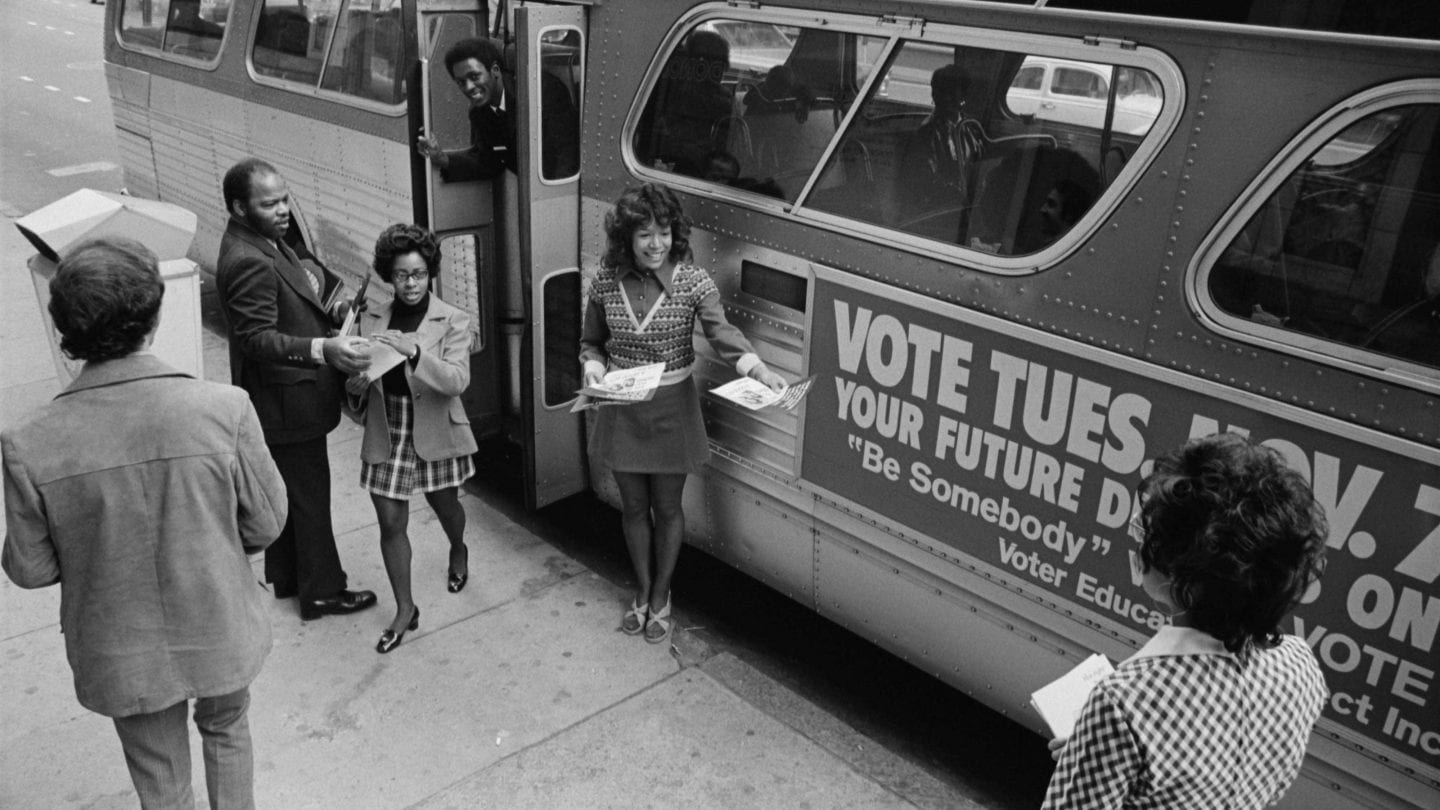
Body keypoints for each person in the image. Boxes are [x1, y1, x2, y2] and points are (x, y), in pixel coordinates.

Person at [3, 238, 288, 809]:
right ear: (154, 318)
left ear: (66, 331)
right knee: (228, 731)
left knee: (160, 778)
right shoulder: (224, 409)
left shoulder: (28, 442)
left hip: (121, 650)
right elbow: (266, 524)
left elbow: (31, 570)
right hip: (219, 625)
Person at [1043, 432, 1329, 809]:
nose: (1137, 538)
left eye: (1147, 531)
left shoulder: (1123, 702)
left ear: (1186, 579)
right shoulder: (1300, 665)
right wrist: (1094, 756)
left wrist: (1090, 757)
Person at [579, 183, 787, 644]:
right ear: (626, 239)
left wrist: (760, 370)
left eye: (665, 231)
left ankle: (661, 594)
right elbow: (591, 342)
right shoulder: (605, 281)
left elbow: (723, 332)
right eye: (645, 234)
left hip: (673, 409)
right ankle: (642, 585)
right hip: (621, 409)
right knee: (633, 506)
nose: (657, 244)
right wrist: (594, 368)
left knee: (668, 507)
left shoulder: (693, 282)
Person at [215, 157, 378, 621]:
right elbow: (256, 338)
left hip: (284, 400)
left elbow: (299, 292)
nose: (284, 210)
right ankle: (323, 591)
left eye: (285, 199)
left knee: (289, 493)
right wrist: (324, 349)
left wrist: (334, 308)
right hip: (286, 403)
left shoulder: (262, 241)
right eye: (270, 204)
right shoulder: (248, 260)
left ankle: (287, 577)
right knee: (310, 499)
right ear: (240, 208)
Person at [346, 224, 478, 654]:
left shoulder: (454, 319)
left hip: (436, 425)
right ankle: (405, 609)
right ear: (390, 274)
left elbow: (457, 380)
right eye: (402, 275)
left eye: (419, 274)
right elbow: (353, 386)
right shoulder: (372, 316)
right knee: (390, 522)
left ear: (430, 272)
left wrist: (415, 353)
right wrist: (356, 381)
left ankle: (457, 548)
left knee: (446, 506)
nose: (411, 283)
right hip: (389, 427)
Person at [415, 36, 578, 181]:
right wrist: (442, 158)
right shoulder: (479, 113)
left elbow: (567, 154)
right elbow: (489, 163)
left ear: (495, 70)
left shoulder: (542, 91)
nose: (469, 87)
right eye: (461, 82)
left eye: (474, 76)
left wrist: (551, 203)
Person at [900, 64, 984, 219]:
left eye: (951, 92)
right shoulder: (925, 133)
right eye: (939, 91)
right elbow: (923, 183)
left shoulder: (971, 128)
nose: (944, 98)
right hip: (937, 209)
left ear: (963, 96)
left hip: (966, 203)